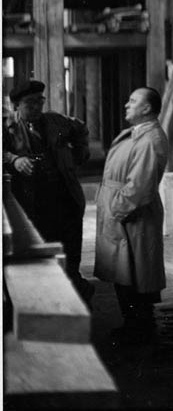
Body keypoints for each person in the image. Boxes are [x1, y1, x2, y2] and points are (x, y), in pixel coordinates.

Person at [2, 79, 95, 305]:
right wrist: (14, 160)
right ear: (15, 106)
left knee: (69, 248)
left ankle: (75, 290)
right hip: (29, 201)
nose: (36, 108)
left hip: (64, 197)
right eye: (29, 103)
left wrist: (79, 154)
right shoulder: (6, 126)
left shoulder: (57, 121)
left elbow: (81, 129)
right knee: (37, 250)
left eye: (39, 102)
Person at [94, 86, 168, 345]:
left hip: (132, 215)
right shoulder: (139, 134)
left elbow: (140, 187)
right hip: (124, 212)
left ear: (147, 108)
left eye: (133, 101)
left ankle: (140, 331)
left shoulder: (149, 139)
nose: (126, 104)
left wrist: (116, 210)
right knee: (127, 274)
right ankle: (134, 327)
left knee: (137, 276)